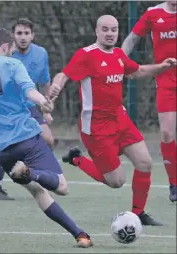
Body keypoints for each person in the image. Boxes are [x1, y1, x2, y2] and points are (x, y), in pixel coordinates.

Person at [0, 28, 93, 248]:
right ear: (6, 46)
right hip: (27, 138)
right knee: (62, 187)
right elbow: (28, 90)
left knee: (37, 191)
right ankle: (31, 172)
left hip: (2, 151)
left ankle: (80, 234)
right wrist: (42, 101)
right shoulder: (13, 65)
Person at [49, 15, 176, 226]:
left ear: (118, 32)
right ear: (97, 32)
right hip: (97, 129)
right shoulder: (86, 55)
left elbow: (139, 71)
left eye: (114, 30)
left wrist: (163, 66)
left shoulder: (118, 54)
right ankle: (77, 159)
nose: (110, 34)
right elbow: (64, 75)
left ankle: (138, 213)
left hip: (120, 120)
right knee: (116, 181)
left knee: (145, 163)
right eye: (105, 29)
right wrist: (55, 87)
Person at [0, 18, 54, 200]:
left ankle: (33, 175)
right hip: (9, 108)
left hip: (30, 106)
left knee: (48, 140)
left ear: (32, 35)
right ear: (13, 36)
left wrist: (46, 110)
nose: (23, 37)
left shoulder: (41, 54)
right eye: (19, 33)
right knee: (7, 145)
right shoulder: (6, 54)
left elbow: (45, 81)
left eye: (26, 33)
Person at [121, 1, 177, 202]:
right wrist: (118, 61)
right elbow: (132, 38)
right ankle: (174, 183)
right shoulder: (153, 14)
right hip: (166, 81)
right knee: (167, 133)